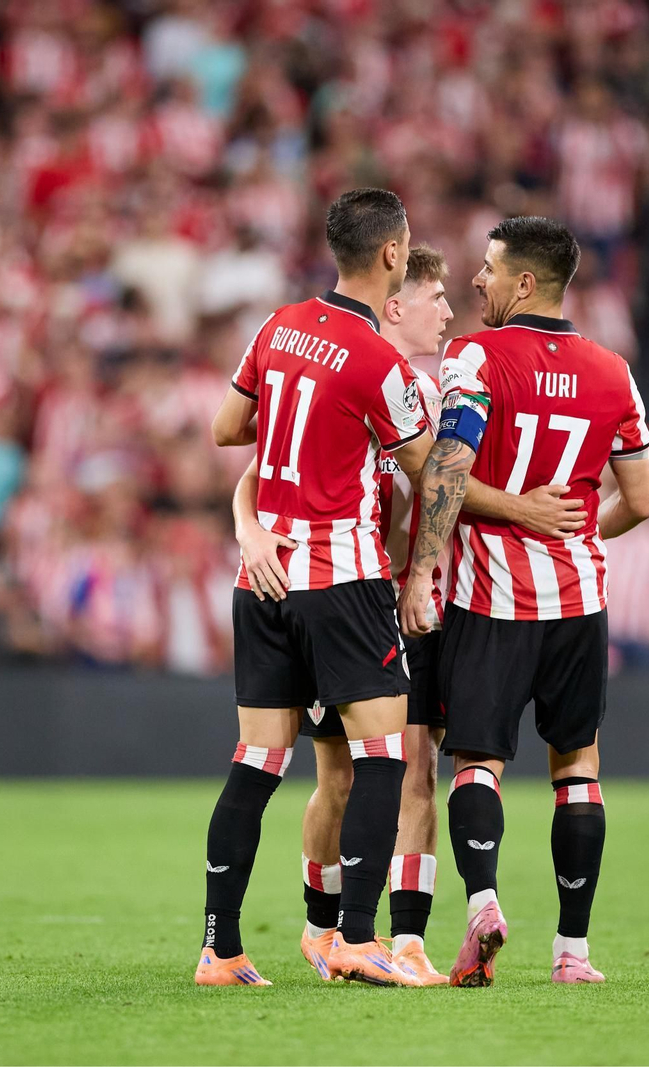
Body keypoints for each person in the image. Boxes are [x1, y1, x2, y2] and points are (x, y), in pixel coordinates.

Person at [232, 245, 585, 984]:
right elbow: (260, 467)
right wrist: (251, 526)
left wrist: (422, 571)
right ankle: (322, 926)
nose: (449, 311)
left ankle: (407, 936)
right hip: (352, 598)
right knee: (339, 779)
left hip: (410, 604)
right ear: (398, 302)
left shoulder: (421, 392)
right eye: (434, 298)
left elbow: (441, 490)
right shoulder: (351, 371)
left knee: (412, 767)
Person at [398, 216, 649, 987]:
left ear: (524, 283)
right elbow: (639, 500)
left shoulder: (475, 355)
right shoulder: (614, 371)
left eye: (487, 267)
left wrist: (423, 569)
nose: (477, 280)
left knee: (477, 761)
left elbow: (447, 467)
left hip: (492, 598)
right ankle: (573, 953)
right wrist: (579, 538)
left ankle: (483, 904)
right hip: (579, 600)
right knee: (577, 767)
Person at [197, 188, 433, 988]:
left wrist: (262, 503)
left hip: (263, 578)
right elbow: (431, 471)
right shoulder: (379, 361)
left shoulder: (278, 325)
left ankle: (219, 950)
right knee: (379, 756)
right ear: (393, 255)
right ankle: (356, 938)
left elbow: (231, 431)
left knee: (258, 759)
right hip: (343, 581)